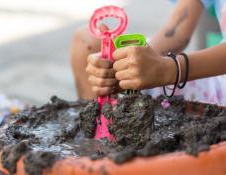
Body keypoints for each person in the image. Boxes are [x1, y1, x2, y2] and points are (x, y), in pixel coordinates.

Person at [71, 0, 226, 106]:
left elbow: (170, 69)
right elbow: (176, 32)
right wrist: (131, 68)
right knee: (87, 41)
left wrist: (171, 69)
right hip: (218, 87)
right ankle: (96, 143)